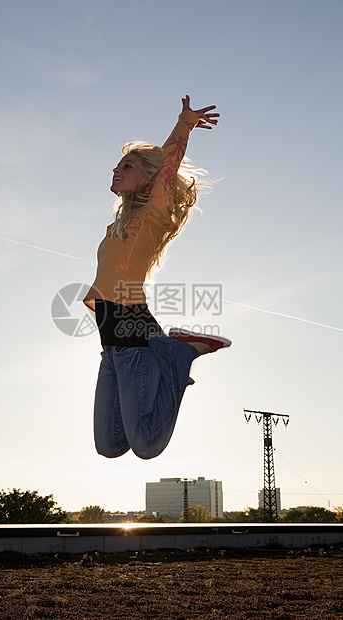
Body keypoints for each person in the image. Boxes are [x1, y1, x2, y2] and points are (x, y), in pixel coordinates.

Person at [83, 96, 231, 460]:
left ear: (149, 177)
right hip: (113, 342)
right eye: (116, 166)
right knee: (110, 445)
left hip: (133, 331)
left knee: (147, 445)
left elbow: (167, 165)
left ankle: (178, 357)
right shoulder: (117, 226)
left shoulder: (152, 217)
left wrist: (185, 124)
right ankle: (169, 354)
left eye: (127, 166)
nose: (116, 171)